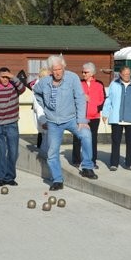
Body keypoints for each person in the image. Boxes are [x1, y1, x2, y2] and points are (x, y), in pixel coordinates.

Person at [33, 55, 98, 190]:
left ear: (64, 67)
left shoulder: (72, 78)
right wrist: (45, 108)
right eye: (54, 70)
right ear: (50, 70)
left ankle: (87, 167)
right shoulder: (44, 82)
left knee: (86, 134)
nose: (57, 72)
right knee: (52, 152)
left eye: (59, 69)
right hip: (53, 122)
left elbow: (80, 98)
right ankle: (57, 180)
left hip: (71, 119)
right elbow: (36, 92)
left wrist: (81, 120)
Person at [0, 67, 26, 186]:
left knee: (13, 151)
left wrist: (12, 77)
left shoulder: (14, 87)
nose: (4, 79)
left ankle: (10, 177)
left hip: (12, 124)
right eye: (2, 77)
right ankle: (1, 177)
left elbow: (23, 89)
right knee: (0, 151)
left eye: (6, 77)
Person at [102, 65, 131, 171]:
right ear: (120, 74)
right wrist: (105, 113)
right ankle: (114, 163)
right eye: (125, 74)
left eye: (129, 74)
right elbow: (109, 100)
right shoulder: (114, 84)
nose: (127, 76)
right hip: (117, 118)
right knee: (116, 142)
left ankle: (130, 163)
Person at [72, 62, 106, 169]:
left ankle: (92, 161)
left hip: (94, 117)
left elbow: (103, 99)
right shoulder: (79, 83)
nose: (83, 74)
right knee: (77, 138)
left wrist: (97, 108)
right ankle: (76, 160)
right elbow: (73, 97)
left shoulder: (99, 84)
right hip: (80, 117)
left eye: (85, 72)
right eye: (82, 72)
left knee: (93, 140)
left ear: (91, 73)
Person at [30, 68, 50, 154]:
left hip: (45, 116)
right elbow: (39, 106)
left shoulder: (43, 86)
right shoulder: (39, 88)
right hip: (43, 117)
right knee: (46, 140)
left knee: (46, 139)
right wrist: (43, 121)